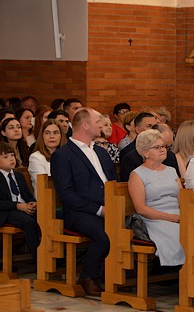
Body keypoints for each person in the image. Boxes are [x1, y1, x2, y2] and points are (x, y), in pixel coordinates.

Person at [50, 108, 118, 297]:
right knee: (104, 236)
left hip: (110, 207)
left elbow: (113, 182)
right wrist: (99, 209)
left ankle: (115, 276)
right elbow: (66, 194)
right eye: (98, 121)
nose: (101, 125)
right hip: (79, 212)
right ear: (85, 125)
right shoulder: (63, 155)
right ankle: (88, 276)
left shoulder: (101, 152)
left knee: (127, 231)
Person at [128, 129, 184, 269]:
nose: (162, 150)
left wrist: (185, 215)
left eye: (163, 146)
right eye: (157, 147)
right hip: (154, 218)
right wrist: (170, 218)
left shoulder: (171, 170)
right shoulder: (137, 174)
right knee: (178, 234)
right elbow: (141, 208)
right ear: (145, 152)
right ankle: (183, 271)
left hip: (177, 215)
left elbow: (182, 199)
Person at [0, 142, 40, 256]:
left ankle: (51, 253)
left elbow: (27, 195)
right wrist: (17, 206)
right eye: (6, 157)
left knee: (45, 217)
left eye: (12, 155)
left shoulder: (19, 176)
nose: (11, 159)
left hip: (24, 208)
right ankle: (38, 257)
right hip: (7, 212)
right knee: (28, 222)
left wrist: (32, 203)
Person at [28, 119, 64, 198]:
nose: (52, 136)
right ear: (42, 136)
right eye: (47, 133)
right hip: (46, 199)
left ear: (61, 136)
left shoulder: (67, 156)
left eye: (55, 133)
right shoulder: (36, 158)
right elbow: (44, 184)